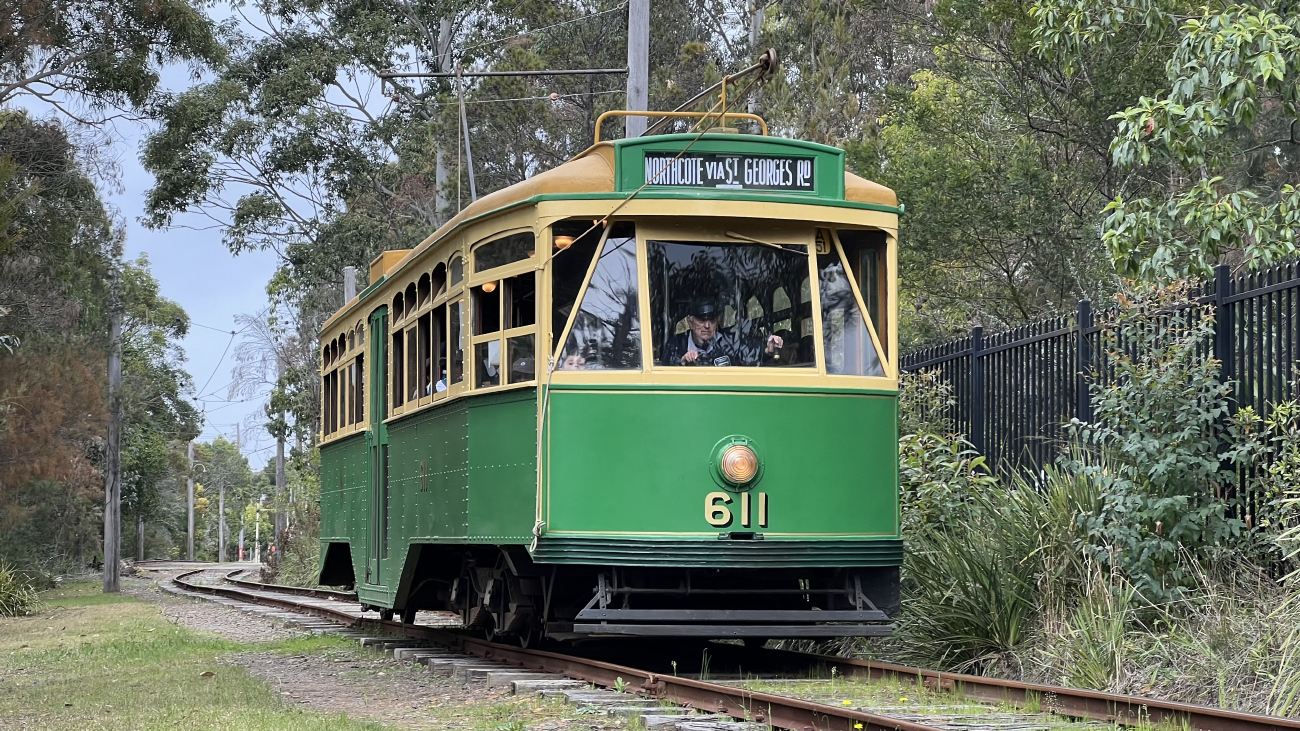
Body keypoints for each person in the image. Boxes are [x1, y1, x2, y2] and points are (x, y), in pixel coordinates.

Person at [661, 301, 783, 366]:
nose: (707, 325)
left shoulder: (730, 341)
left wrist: (768, 350)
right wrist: (682, 362)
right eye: (702, 320)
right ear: (690, 322)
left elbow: (750, 352)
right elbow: (664, 369)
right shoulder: (675, 344)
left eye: (712, 320)